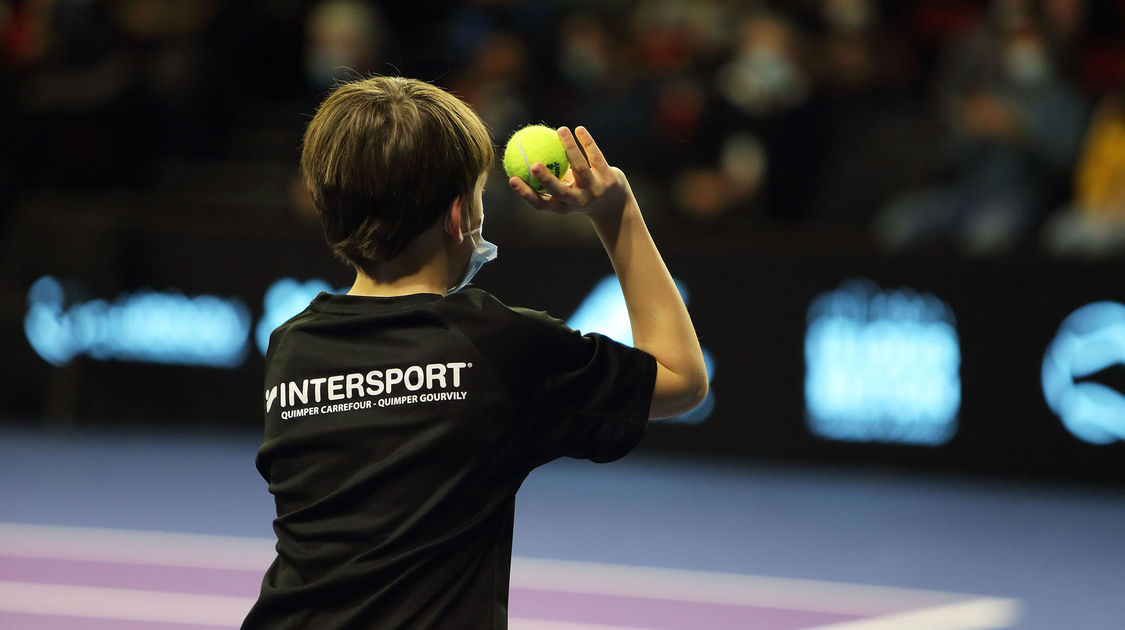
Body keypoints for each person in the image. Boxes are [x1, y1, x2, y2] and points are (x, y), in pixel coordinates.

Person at [241, 76, 708, 630]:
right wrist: (617, 212)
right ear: (459, 216)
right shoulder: (498, 346)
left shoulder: (292, 346)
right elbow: (682, 378)